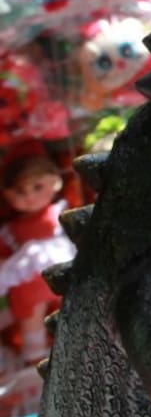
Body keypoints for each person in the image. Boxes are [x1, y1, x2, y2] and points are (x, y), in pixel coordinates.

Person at [0, 152, 75, 364]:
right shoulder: (10, 230)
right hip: (29, 290)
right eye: (19, 192)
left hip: (63, 278)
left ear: (56, 181)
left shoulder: (60, 213)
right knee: (31, 319)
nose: (29, 197)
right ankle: (35, 357)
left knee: (71, 313)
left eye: (37, 187)